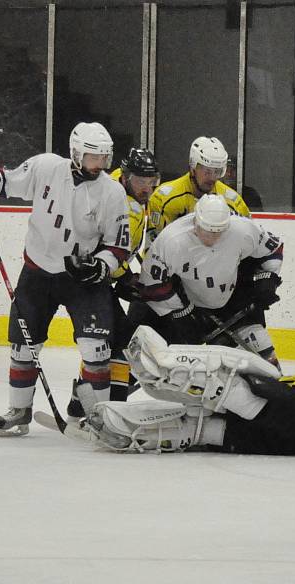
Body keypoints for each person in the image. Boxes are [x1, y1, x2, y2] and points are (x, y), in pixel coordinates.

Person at [0, 122, 130, 436]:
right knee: (24, 347)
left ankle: (101, 418)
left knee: (96, 349)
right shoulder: (46, 167)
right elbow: (6, 180)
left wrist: (100, 267)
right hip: (37, 272)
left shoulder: (112, 192)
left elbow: (119, 246)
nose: (100, 164)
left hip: (82, 279)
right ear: (76, 153)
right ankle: (19, 410)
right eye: (94, 157)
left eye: (104, 158)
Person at [65, 325, 295, 459]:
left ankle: (163, 369)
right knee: (198, 427)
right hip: (271, 444)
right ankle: (113, 424)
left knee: (228, 388)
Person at [138, 193, 284, 366]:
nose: (213, 238)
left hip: (234, 296)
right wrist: (180, 313)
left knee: (262, 348)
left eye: (219, 232)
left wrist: (267, 278)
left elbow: (273, 248)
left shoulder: (242, 229)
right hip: (191, 305)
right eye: (207, 231)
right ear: (196, 222)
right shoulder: (171, 240)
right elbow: (151, 283)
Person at [102, 148, 161, 404]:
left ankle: (81, 400)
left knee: (109, 341)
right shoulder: (115, 199)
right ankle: (112, 403)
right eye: (140, 182)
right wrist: (124, 276)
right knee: (115, 339)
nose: (147, 189)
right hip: (91, 279)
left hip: (105, 276)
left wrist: (124, 275)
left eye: (151, 183)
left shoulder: (126, 189)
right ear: (126, 177)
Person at [148, 136, 250, 241]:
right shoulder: (163, 199)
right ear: (193, 168)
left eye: (218, 172)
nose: (212, 177)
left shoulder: (233, 202)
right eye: (207, 171)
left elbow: (248, 243)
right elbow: (155, 248)